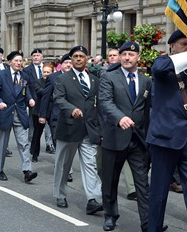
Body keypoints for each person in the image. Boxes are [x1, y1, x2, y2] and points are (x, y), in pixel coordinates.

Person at [146, 30, 187, 232]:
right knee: (159, 193)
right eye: (184, 44)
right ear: (172, 46)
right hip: (165, 139)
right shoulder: (164, 64)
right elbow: (158, 69)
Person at [99, 41, 151, 231]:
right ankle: (110, 215)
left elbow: (147, 110)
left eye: (131, 54)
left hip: (138, 139)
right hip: (115, 137)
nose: (127, 58)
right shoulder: (109, 77)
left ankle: (147, 222)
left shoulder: (146, 81)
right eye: (124, 54)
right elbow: (105, 102)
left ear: (138, 57)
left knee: (143, 183)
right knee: (110, 180)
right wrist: (120, 118)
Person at [52, 45, 102, 215]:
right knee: (63, 164)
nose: (79, 59)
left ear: (87, 59)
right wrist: (71, 109)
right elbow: (58, 98)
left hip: (89, 129)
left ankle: (93, 199)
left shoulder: (94, 79)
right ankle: (60, 194)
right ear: (71, 60)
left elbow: (97, 103)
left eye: (81, 56)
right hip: (69, 128)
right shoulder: (63, 78)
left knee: (90, 164)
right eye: (75, 57)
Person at [0, 51, 38, 183]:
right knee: (3, 144)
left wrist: (30, 99)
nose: (18, 63)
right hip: (5, 112)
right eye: (16, 61)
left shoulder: (24, 75)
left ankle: (27, 170)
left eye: (20, 61)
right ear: (10, 62)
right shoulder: (1, 75)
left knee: (24, 143)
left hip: (20, 113)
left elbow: (25, 90)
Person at [39, 53, 74, 181]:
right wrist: (42, 115)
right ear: (61, 65)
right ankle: (64, 169)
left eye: (71, 62)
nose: (69, 65)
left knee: (69, 144)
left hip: (72, 117)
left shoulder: (78, 77)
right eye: (66, 63)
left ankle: (67, 170)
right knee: (59, 144)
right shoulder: (53, 78)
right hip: (56, 116)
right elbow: (46, 97)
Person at [24, 48, 55, 154]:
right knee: (34, 126)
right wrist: (30, 98)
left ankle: (49, 144)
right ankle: (32, 145)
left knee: (49, 125)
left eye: (38, 55)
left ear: (42, 57)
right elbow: (26, 86)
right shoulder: (27, 70)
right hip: (35, 101)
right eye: (34, 55)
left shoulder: (48, 68)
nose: (36, 57)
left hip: (49, 102)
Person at [30, 63, 54, 162]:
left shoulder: (55, 81)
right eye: (44, 72)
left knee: (55, 134)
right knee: (37, 133)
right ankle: (34, 154)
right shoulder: (37, 82)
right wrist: (49, 93)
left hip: (52, 110)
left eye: (48, 72)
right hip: (39, 110)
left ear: (52, 73)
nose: (46, 74)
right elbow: (39, 92)